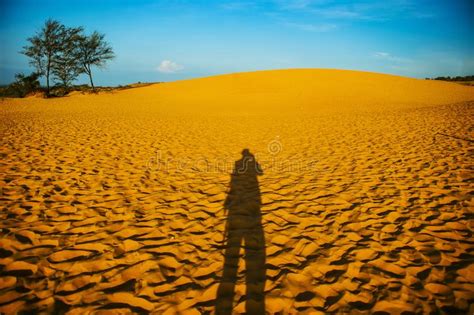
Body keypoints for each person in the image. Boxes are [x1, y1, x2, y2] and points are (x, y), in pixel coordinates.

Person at [216, 149, 266, 314]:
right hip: (253, 203)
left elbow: (233, 179)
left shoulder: (238, 163)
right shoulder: (250, 163)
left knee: (233, 243)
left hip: (237, 206)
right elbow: (261, 172)